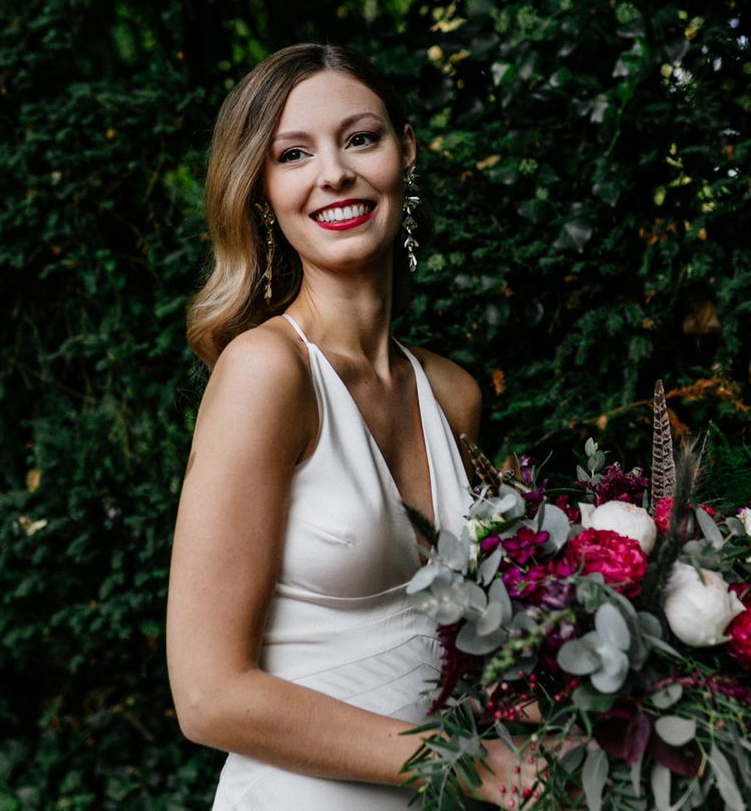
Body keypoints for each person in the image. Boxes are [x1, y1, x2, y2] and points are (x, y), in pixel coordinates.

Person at [166, 44, 537, 809]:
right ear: (263, 192)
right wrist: (475, 765)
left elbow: (459, 648)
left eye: (359, 138)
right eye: (293, 154)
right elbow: (208, 697)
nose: (333, 172)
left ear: (406, 150)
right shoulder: (267, 373)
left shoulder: (452, 393)